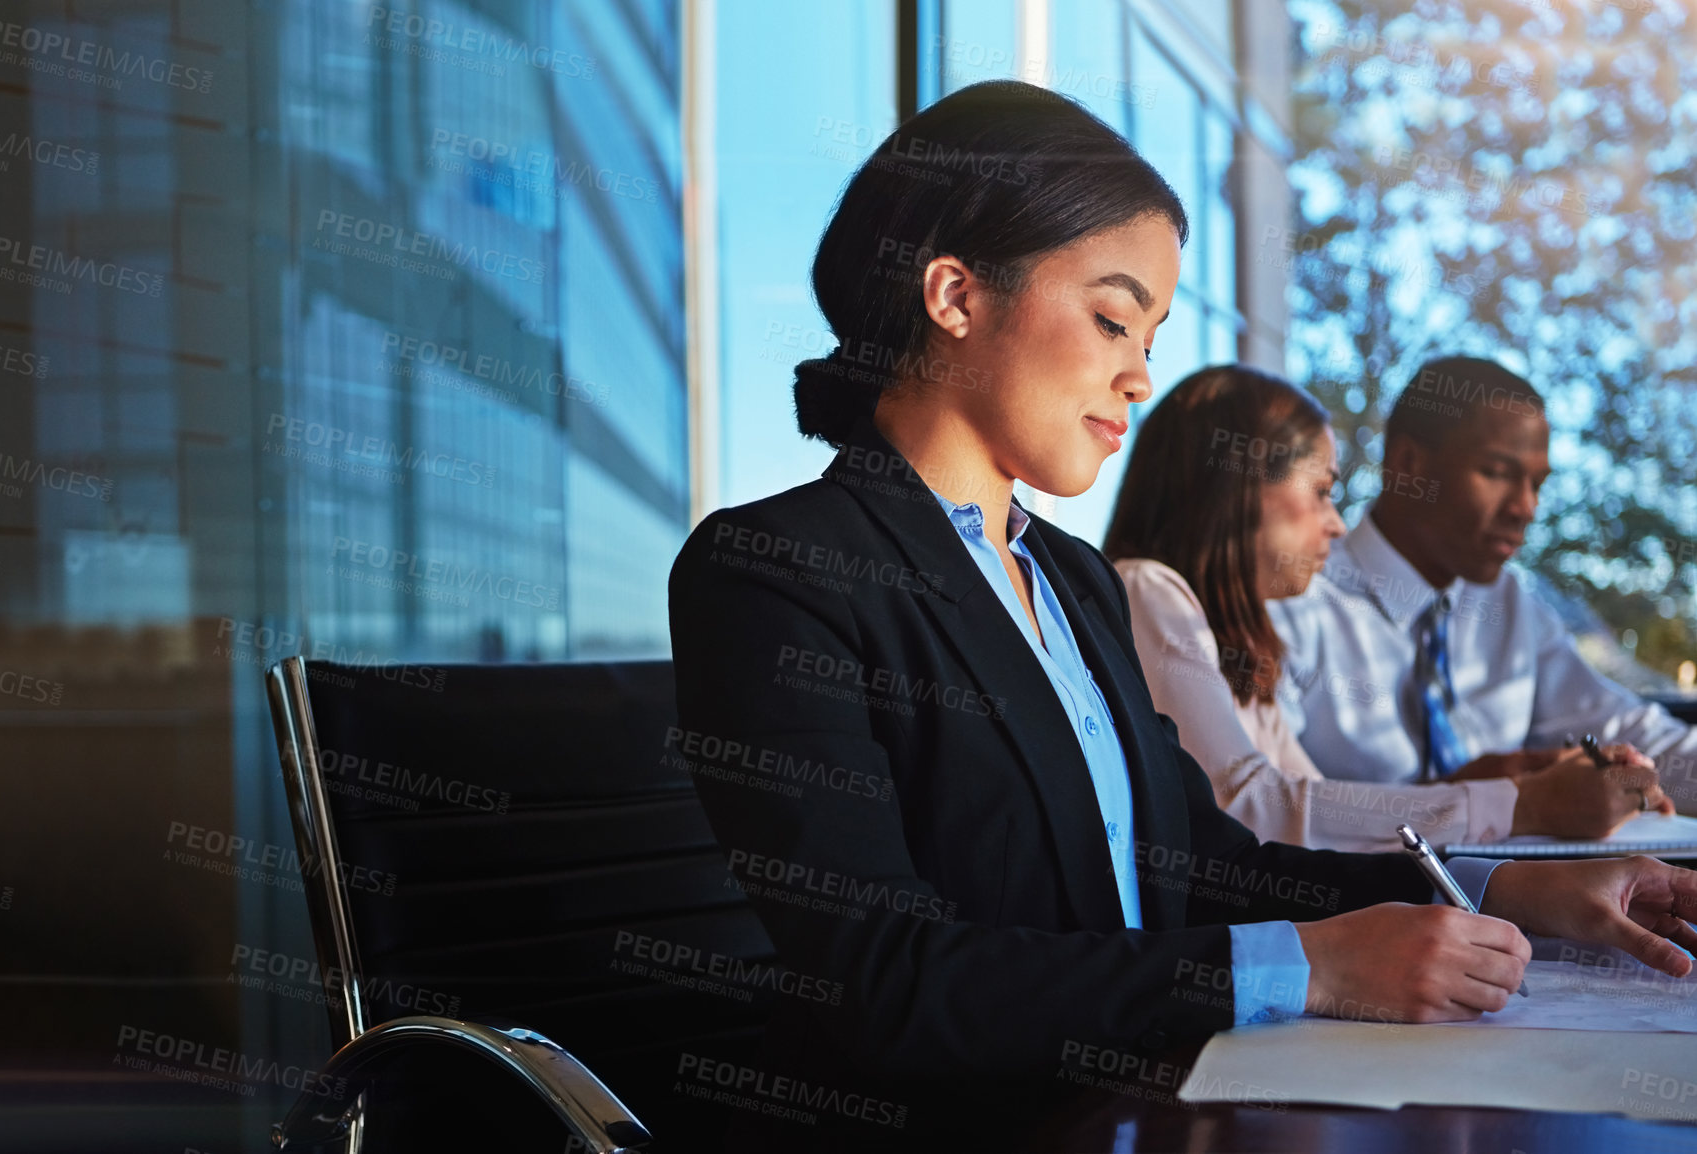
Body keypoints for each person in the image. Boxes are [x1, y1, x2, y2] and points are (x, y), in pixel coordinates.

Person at [668, 83, 1697, 1148]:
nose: (1141, 375)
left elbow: (1202, 861)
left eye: (1151, 334)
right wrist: (1308, 962)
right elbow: (879, 980)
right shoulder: (777, 570)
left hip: (1141, 1101)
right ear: (954, 294)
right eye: (1113, 318)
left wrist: (1500, 894)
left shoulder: (1072, 578)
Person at [1103, 364, 1662, 851]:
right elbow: (1251, 806)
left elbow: (1313, 805)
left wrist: (1500, 784)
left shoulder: (1237, 633)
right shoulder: (1148, 589)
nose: (1336, 524)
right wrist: (1515, 805)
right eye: (1321, 492)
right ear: (1237, 488)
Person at [1269, 355, 1694, 823]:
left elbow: (1633, 730)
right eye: (1497, 472)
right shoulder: (1294, 598)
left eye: (1537, 484)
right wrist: (1499, 800)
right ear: (1407, 464)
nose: (1526, 507)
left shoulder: (1509, 605)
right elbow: (1272, 814)